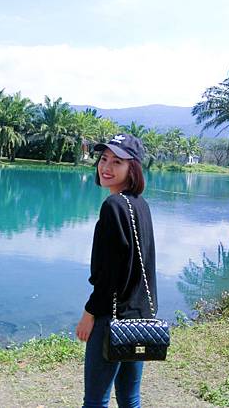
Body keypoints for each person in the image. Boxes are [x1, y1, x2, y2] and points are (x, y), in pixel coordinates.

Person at [76, 133, 158, 408]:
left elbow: (109, 276)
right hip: (139, 318)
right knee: (130, 399)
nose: (106, 167)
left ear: (132, 168)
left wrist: (89, 314)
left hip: (111, 319)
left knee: (95, 401)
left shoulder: (113, 206)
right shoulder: (140, 204)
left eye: (117, 162)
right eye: (104, 159)